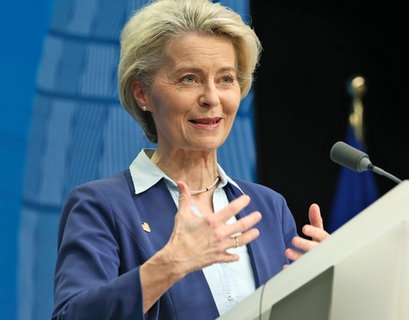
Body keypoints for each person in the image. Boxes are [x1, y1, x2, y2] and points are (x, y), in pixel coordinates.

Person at [51, 0, 330, 319]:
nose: (212, 98)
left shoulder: (268, 208)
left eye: (225, 79)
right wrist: (169, 265)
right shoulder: (101, 206)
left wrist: (323, 282)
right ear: (142, 93)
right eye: (189, 79)